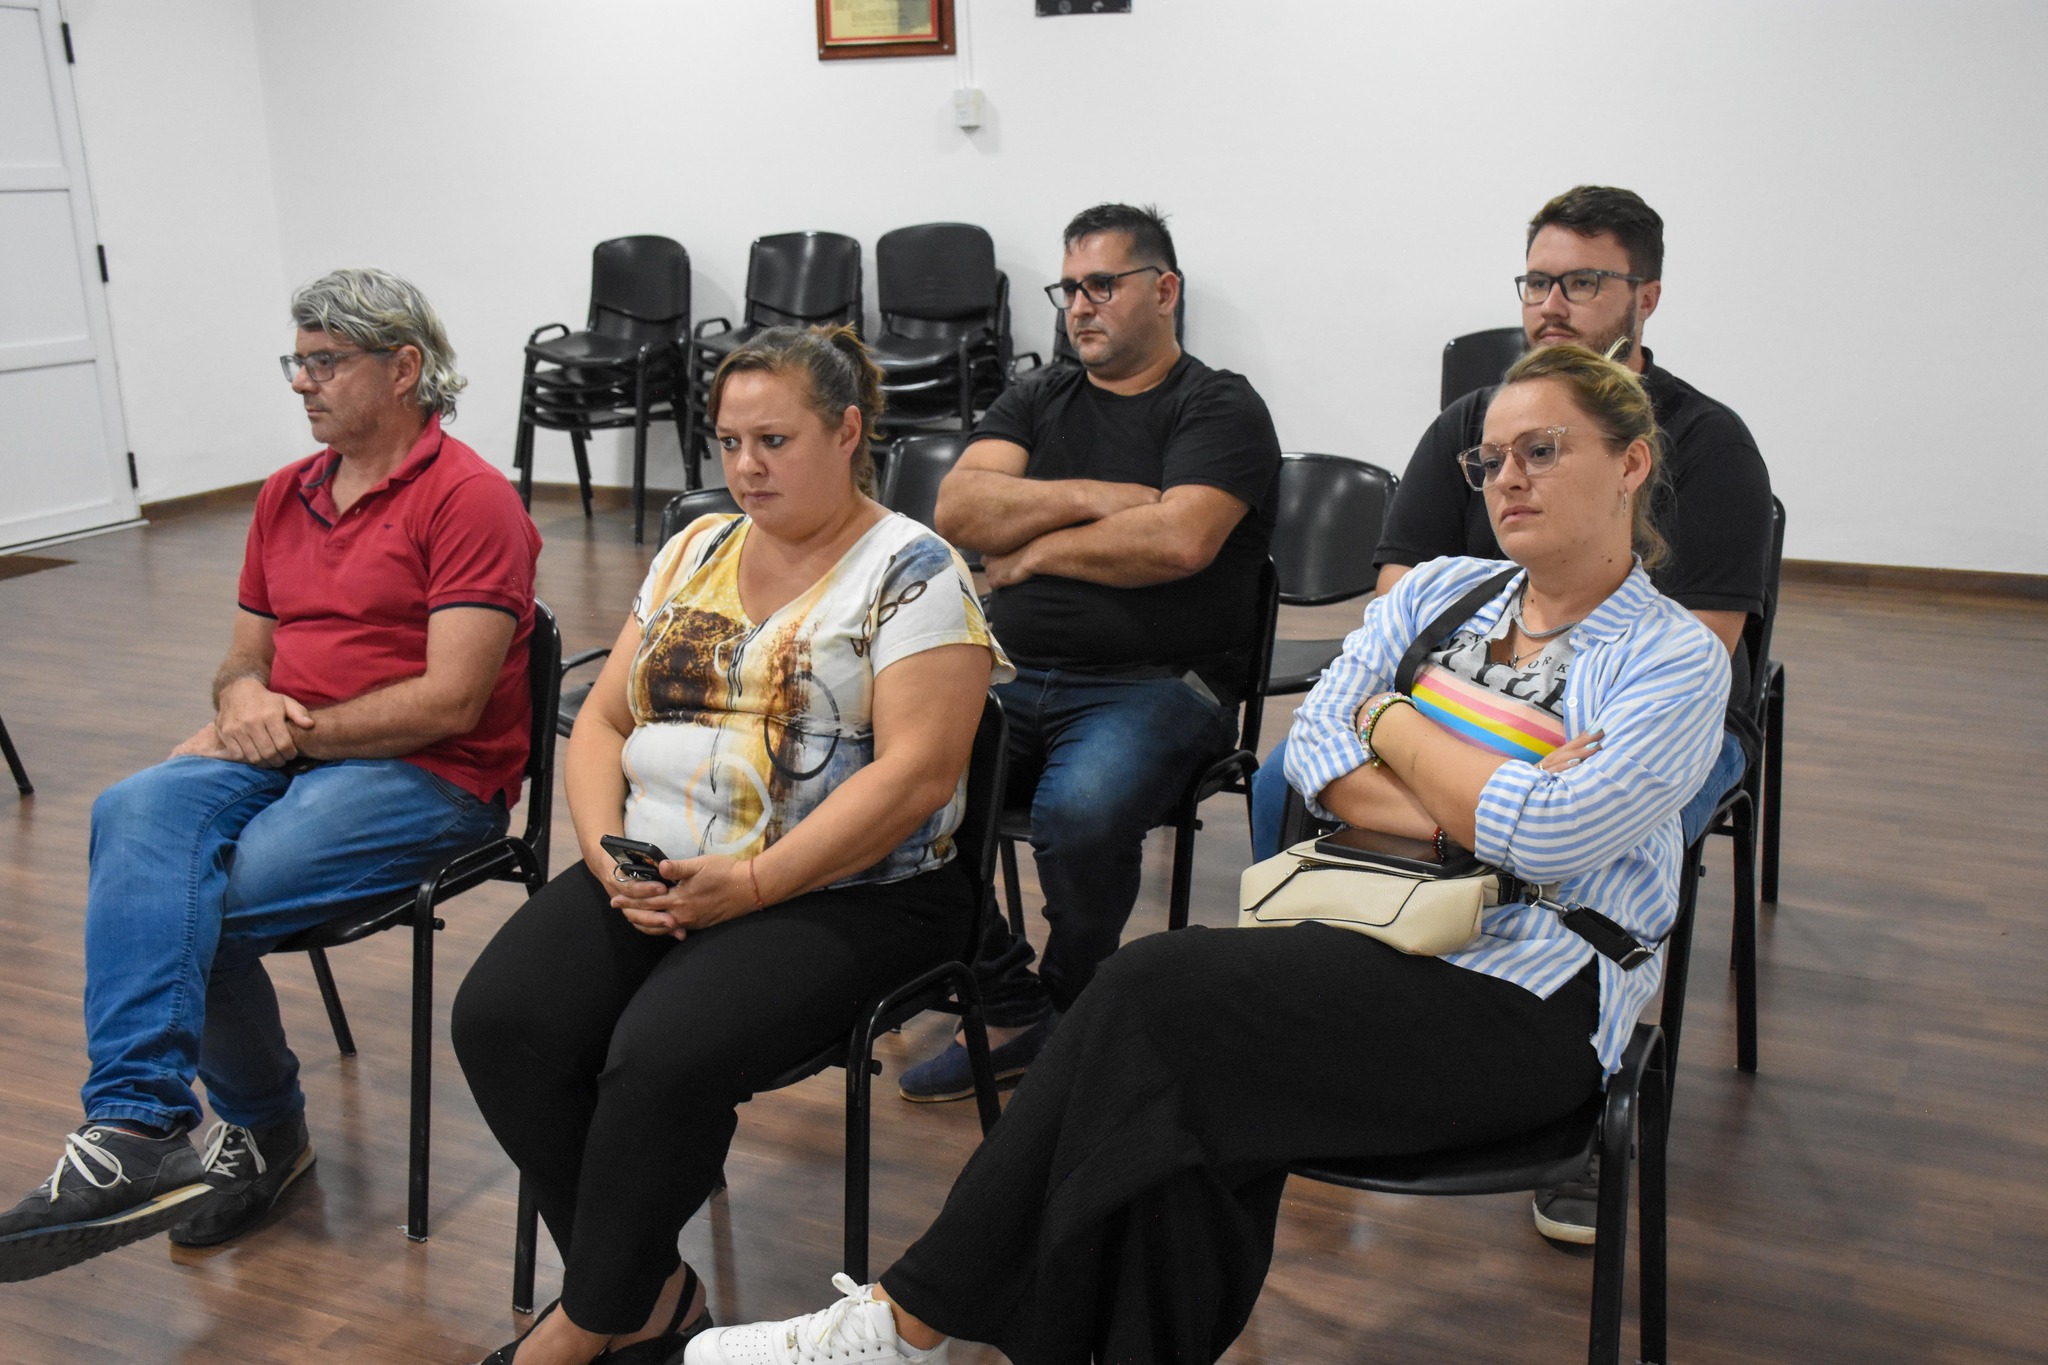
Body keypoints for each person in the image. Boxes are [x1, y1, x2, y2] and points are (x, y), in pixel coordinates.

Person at [686, 344, 1728, 1365]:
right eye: (1489, 459)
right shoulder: (1442, 593)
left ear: (1629, 463)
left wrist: (1393, 725)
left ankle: (903, 1323)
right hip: (1369, 926)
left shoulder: (1672, 656)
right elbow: (1311, 753)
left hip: (1527, 1002)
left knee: (1153, 999)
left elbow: (1550, 832)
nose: (1506, 479)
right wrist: (1469, 775)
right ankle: (910, 1329)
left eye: (1541, 451)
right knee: (1177, 1121)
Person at [450, 326, 1009, 1365]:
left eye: (774, 440)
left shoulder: (913, 569)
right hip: (663, 866)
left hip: (853, 890)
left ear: (846, 432)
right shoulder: (695, 547)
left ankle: (589, 1321)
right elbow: (602, 719)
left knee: (660, 1055)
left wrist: (750, 884)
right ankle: (648, 1294)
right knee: (502, 1020)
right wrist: (604, 855)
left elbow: (918, 776)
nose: (747, 466)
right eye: (730, 442)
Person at [1249, 187, 1772, 1243]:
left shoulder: (1709, 442)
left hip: (1648, 712)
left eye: (1582, 281)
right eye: (1537, 280)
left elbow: (1702, 652)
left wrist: (1426, 742)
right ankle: (1356, 970)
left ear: (1645, 296)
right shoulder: (1469, 423)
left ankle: (1585, 1085)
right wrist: (1473, 781)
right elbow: (1399, 607)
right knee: (1279, 778)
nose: (1551, 303)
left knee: (1625, 836)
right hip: (1474, 704)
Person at [0, 269, 541, 1283]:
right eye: (297, 360)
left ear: (404, 368)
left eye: (325, 362)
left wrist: (284, 736)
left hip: (428, 776)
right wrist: (241, 699)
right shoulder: (286, 493)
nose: (301, 382)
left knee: (192, 910)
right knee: (132, 809)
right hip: (289, 750)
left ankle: (259, 1132)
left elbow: (452, 702)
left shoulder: (471, 498)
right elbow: (244, 657)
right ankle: (136, 1127)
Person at [897, 203, 1282, 1102]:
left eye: (1102, 284)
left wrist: (1032, 552)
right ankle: (1009, 995)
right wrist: (1102, 496)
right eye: (1068, 288)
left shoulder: (1219, 405)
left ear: (1165, 289)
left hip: (1158, 686)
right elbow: (959, 509)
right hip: (1009, 671)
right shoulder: (1037, 397)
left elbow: (1179, 540)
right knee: (888, 785)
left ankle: (1074, 1006)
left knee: (1080, 814)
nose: (1079, 306)